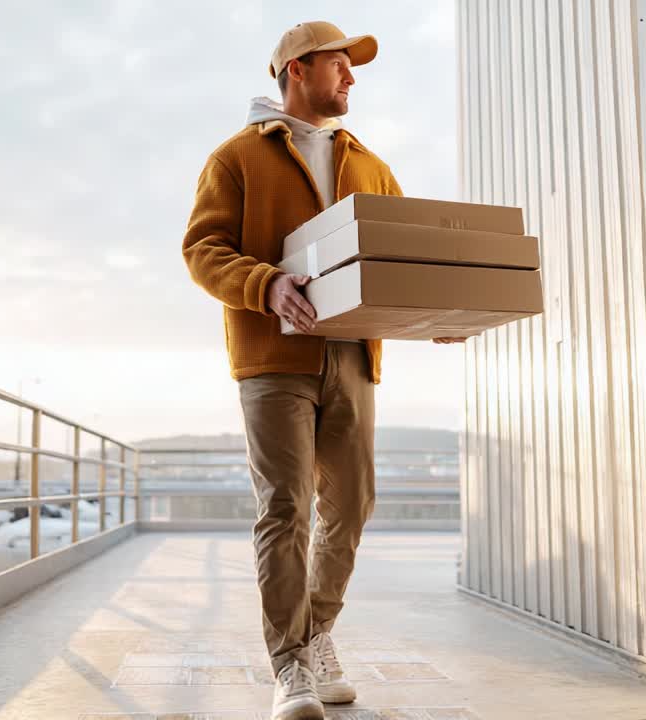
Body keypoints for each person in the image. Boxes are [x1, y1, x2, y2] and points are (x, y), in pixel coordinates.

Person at [181, 21, 464, 720]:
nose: (352, 78)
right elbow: (202, 249)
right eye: (341, 65)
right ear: (297, 70)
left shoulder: (369, 165)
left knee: (353, 502)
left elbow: (401, 257)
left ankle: (315, 634)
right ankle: (290, 667)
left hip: (353, 354)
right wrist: (265, 283)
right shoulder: (236, 158)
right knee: (284, 507)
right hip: (273, 356)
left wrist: (435, 315)